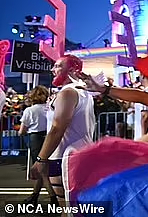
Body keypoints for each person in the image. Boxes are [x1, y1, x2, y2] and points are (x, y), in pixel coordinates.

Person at [30, 55, 94, 207]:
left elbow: (57, 128)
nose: (53, 70)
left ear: (72, 70)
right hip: (79, 154)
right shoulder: (83, 91)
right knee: (79, 208)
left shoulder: (68, 93)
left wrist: (41, 159)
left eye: (58, 66)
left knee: (67, 208)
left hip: (64, 158)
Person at [18, 85, 57, 205]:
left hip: (35, 139)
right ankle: (34, 196)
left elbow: (22, 131)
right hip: (49, 137)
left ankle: (53, 197)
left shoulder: (29, 110)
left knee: (41, 170)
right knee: (44, 168)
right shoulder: (50, 108)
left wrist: (20, 132)